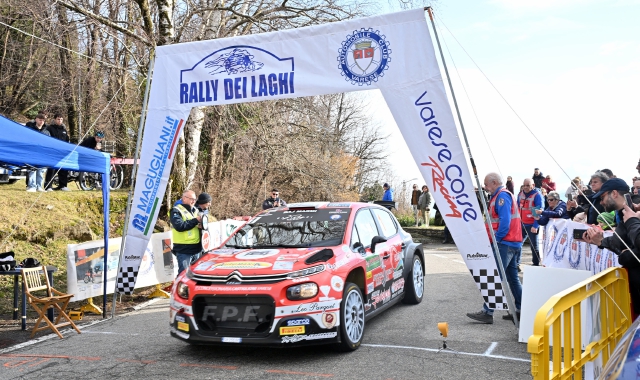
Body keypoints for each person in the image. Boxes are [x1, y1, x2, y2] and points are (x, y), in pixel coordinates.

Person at [467, 173, 523, 324]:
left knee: (494, 277)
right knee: (512, 279)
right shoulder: (501, 195)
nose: (485, 187)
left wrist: (496, 241)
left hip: (505, 242)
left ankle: (487, 311)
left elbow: (504, 222)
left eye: (486, 184)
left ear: (494, 182)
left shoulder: (501, 197)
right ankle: (521, 309)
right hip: (513, 242)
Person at [582, 178, 640, 315]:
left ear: (614, 193)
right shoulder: (624, 213)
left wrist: (627, 255)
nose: (601, 202)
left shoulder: (633, 212)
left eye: (602, 197)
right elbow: (618, 242)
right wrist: (599, 240)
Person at [170, 190, 203, 276]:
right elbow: (179, 226)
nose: (194, 201)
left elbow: (197, 225)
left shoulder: (196, 210)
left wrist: (201, 226)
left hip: (196, 249)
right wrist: (196, 220)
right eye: (191, 199)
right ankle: (179, 289)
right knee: (184, 275)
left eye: (195, 199)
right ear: (184, 198)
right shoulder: (176, 210)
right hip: (184, 249)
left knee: (196, 275)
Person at [518, 178, 543, 266]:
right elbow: (517, 208)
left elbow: (538, 211)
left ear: (533, 185)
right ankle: (517, 264)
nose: (525, 187)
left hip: (532, 224)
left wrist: (535, 226)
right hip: (522, 224)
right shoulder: (520, 194)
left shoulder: (537, 195)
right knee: (518, 244)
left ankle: (535, 264)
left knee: (534, 247)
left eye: (528, 185)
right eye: (524, 185)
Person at [44, 114, 71, 191]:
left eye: (61, 119)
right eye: (58, 119)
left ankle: (63, 185)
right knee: (52, 169)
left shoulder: (64, 130)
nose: (60, 121)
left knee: (63, 169)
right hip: (53, 152)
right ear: (55, 119)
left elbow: (67, 140)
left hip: (62, 152)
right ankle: (48, 186)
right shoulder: (49, 128)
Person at [25, 114, 50, 192]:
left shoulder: (46, 131)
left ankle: (39, 186)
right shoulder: (30, 129)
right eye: (40, 120)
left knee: (41, 170)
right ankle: (31, 186)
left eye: (43, 120)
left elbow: (49, 142)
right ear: (36, 119)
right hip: (32, 152)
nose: (41, 121)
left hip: (42, 153)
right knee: (32, 169)